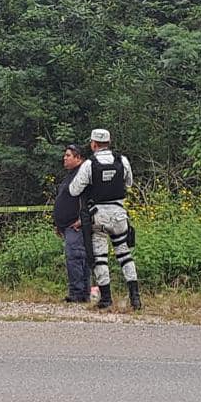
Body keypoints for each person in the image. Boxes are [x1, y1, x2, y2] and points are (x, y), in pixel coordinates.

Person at [67, 129, 141, 310]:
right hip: (119, 214)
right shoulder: (122, 160)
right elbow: (129, 183)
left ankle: (106, 298)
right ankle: (135, 298)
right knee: (124, 255)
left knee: (100, 258)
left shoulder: (89, 164)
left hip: (98, 215)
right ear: (109, 141)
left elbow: (74, 190)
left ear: (93, 144)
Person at [53, 145, 89, 303]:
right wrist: (59, 223)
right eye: (65, 155)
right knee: (75, 257)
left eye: (68, 155)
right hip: (67, 225)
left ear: (78, 158)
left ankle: (78, 293)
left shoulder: (83, 175)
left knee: (76, 257)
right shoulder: (70, 175)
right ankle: (80, 292)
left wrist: (84, 219)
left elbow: (90, 199)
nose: (65, 158)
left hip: (77, 225)